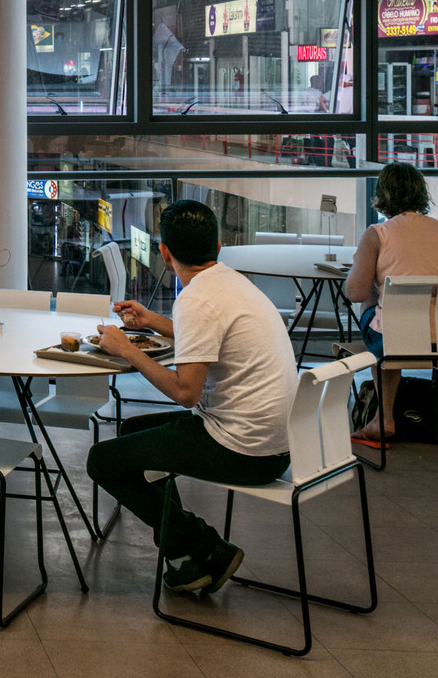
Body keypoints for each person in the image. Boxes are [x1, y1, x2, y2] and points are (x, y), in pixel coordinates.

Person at [85, 199, 297, 595]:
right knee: (132, 431)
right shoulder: (231, 283)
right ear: (218, 247)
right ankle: (185, 559)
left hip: (242, 451)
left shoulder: (195, 299)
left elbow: (185, 393)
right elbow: (207, 334)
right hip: (277, 444)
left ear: (164, 253)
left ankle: (204, 547)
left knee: (102, 461)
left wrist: (127, 350)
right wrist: (152, 321)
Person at [344, 162, 438, 442]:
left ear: (383, 194)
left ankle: (383, 419)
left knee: (372, 303)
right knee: (415, 312)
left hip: (396, 341)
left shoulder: (377, 234)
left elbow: (355, 293)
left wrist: (370, 278)